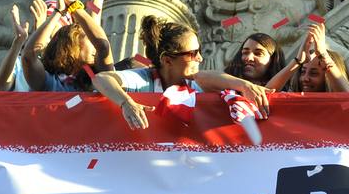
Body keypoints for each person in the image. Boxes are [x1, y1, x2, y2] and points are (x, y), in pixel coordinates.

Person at [93, 15, 270, 129]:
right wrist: (126, 103)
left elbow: (206, 77)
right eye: (193, 54)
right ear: (167, 60)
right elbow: (102, 79)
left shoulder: (194, 81)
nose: (200, 58)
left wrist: (244, 85)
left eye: (199, 51)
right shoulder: (144, 78)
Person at [21, 0, 112, 92]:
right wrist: (59, 11)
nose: (94, 49)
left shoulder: (99, 77)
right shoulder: (49, 82)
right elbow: (28, 57)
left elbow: (101, 43)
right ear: (71, 45)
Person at [266, 23, 349, 92]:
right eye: (303, 72)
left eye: (314, 73)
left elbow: (347, 96)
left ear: (328, 78)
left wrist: (323, 54)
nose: (305, 78)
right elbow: (266, 93)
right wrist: (297, 61)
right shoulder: (291, 99)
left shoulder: (342, 106)